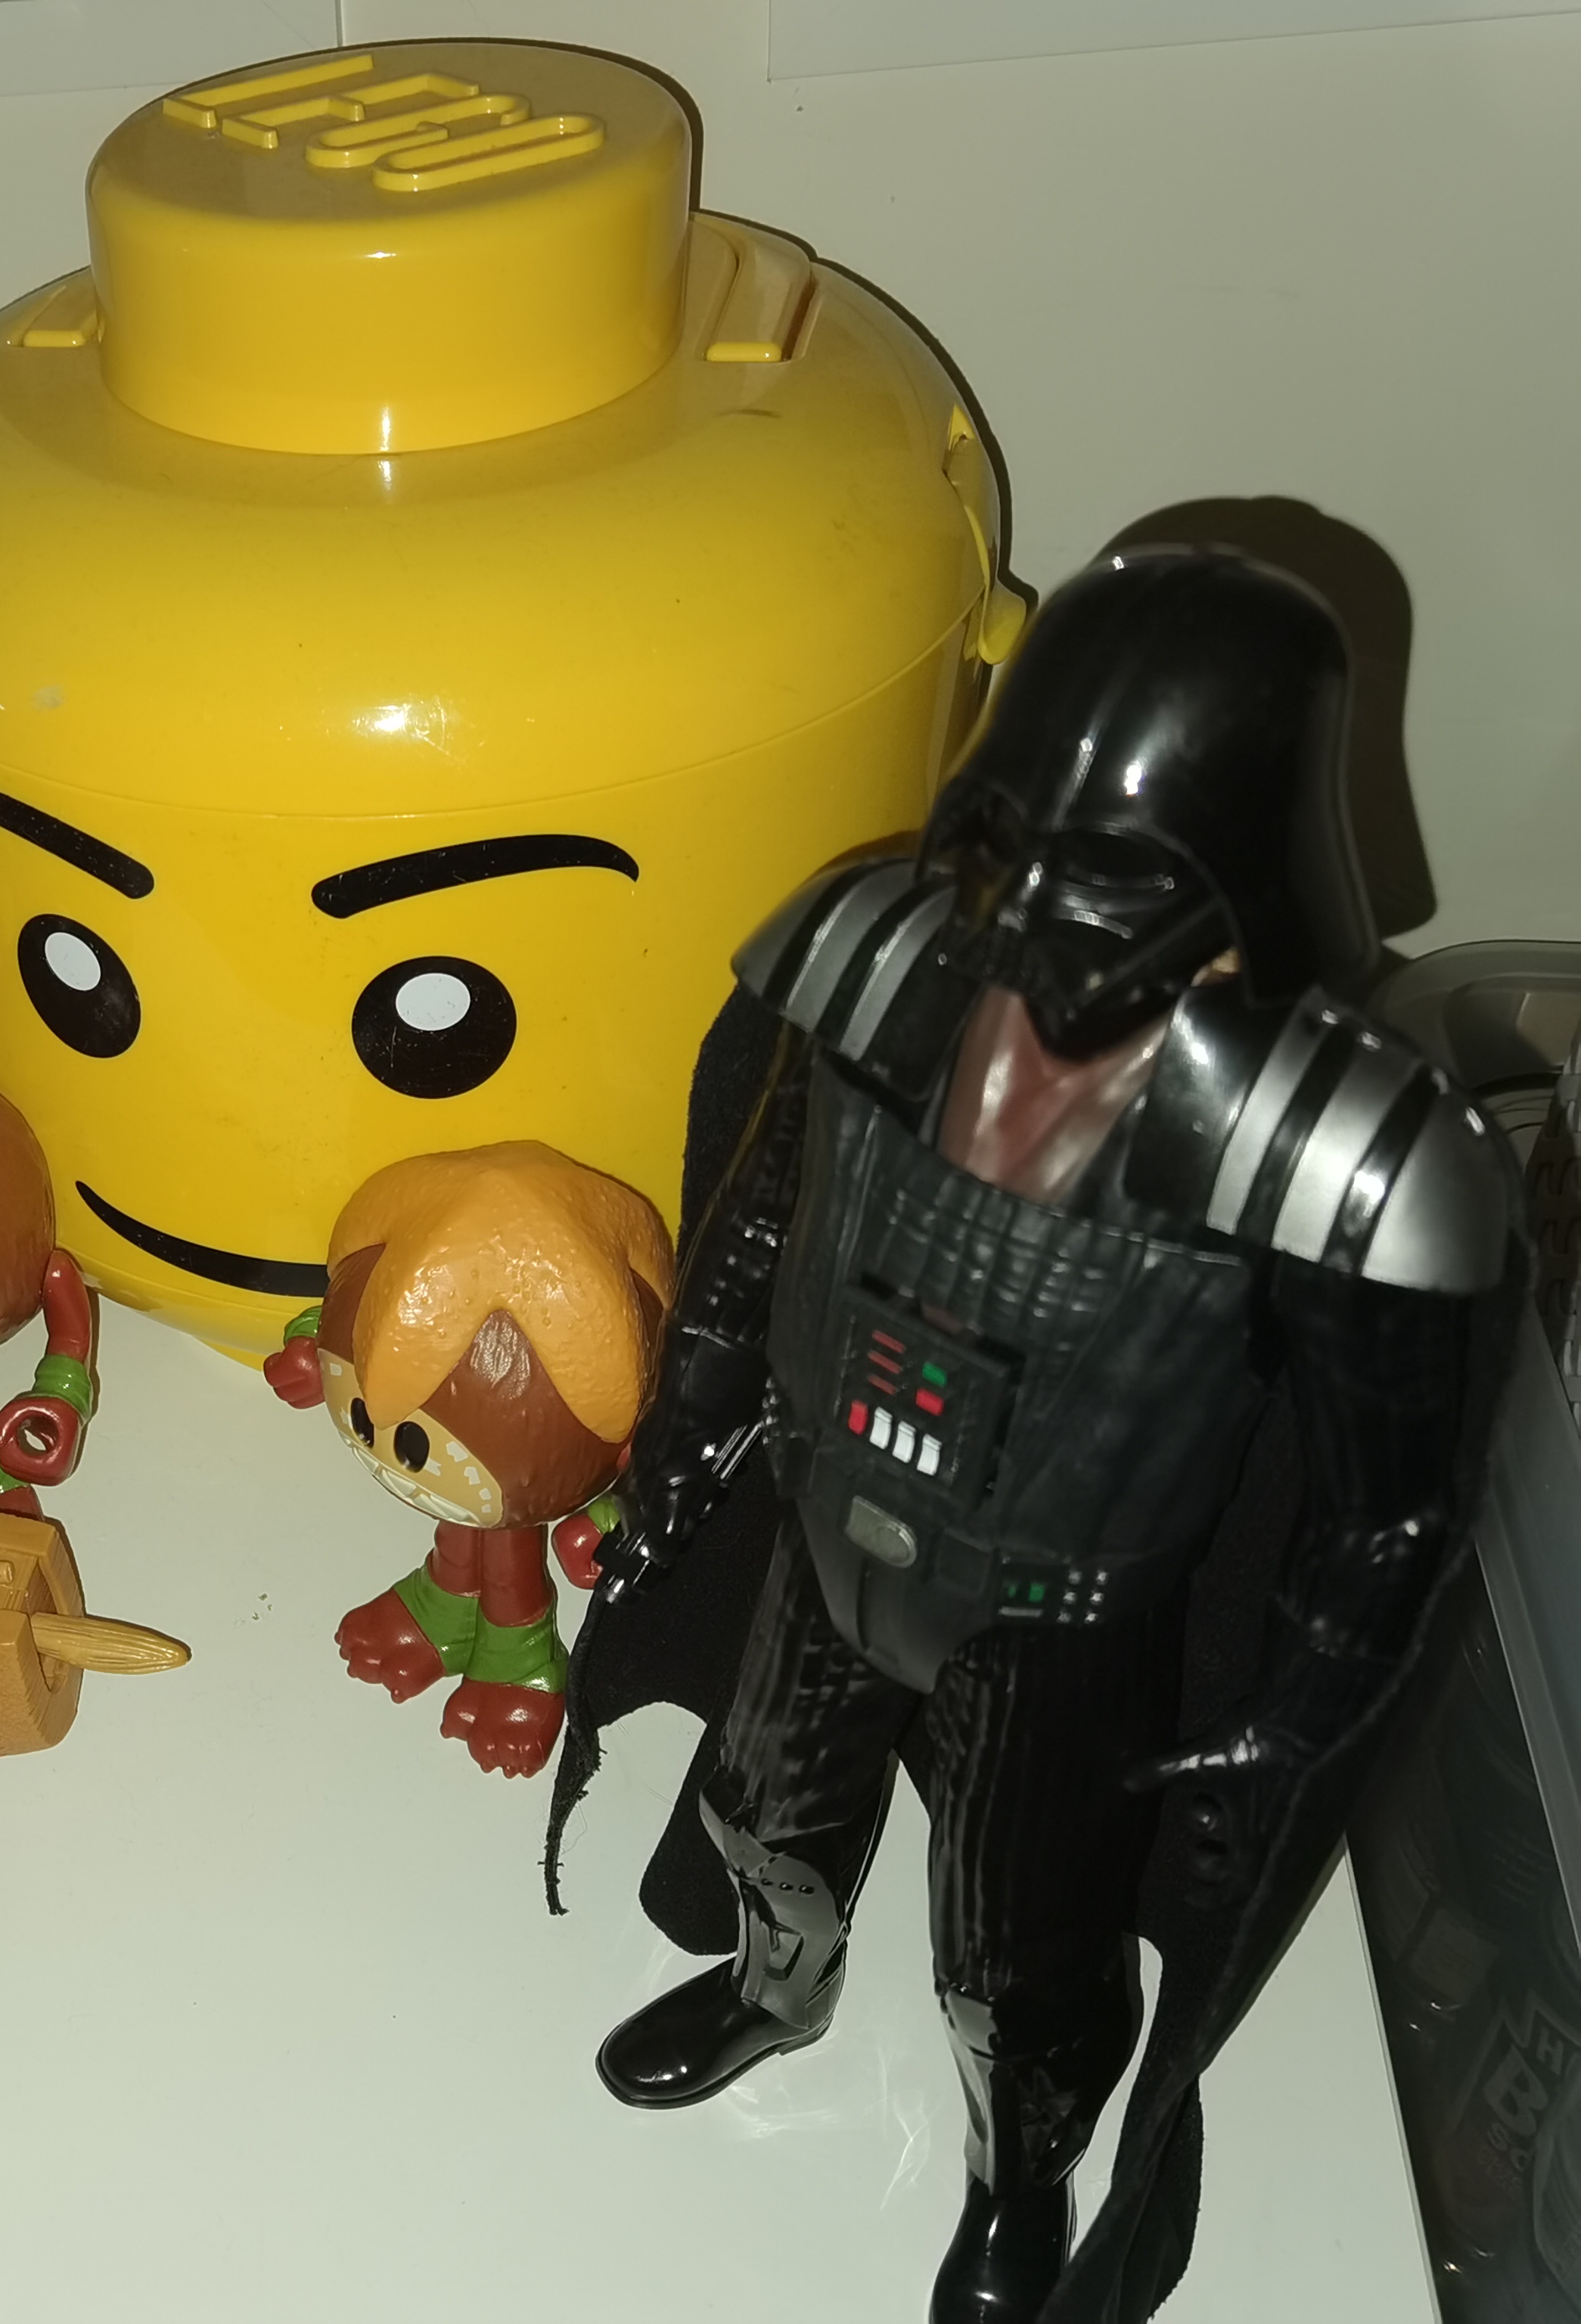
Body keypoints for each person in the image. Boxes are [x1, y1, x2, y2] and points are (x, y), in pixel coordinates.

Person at [578, 545, 1520, 2322]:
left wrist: (1290, 1714)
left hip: (1061, 1609)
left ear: (1239, 865)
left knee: (1018, 1961)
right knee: (763, 1806)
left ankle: (1017, 2182)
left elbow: (1381, 1499)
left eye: (1108, 872)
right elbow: (757, 1221)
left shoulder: (1319, 1148)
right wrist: (681, 1432)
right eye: (1016, 838)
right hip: (826, 1510)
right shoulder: (876, 963)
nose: (1037, 908)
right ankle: (772, 1986)